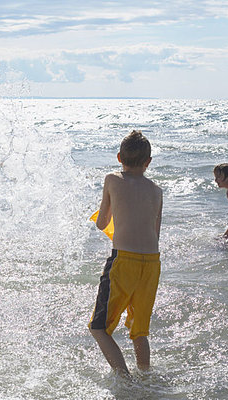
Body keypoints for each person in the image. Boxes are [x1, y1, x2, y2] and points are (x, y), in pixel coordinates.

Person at [89, 130, 163, 377]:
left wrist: (108, 223)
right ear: (148, 162)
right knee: (139, 330)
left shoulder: (112, 178)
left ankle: (125, 380)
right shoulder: (157, 190)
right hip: (151, 264)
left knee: (99, 328)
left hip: (124, 262)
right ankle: (146, 376)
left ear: (119, 157)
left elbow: (101, 222)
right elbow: (156, 232)